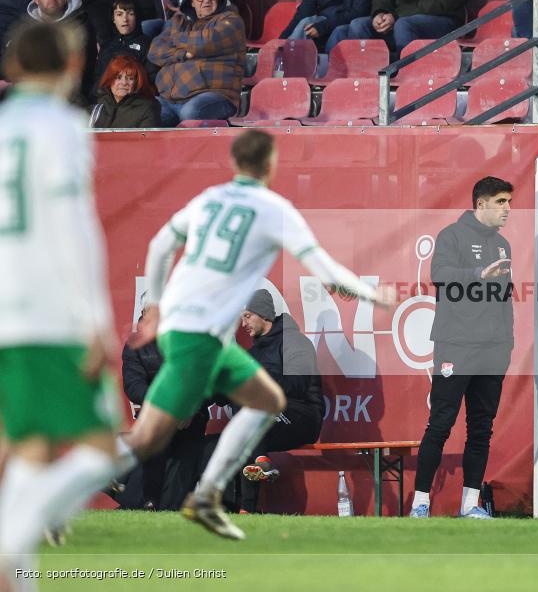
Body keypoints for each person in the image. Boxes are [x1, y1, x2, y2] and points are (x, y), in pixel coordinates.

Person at [117, 129, 396, 540]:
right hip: (202, 336)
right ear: (270, 165)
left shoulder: (209, 199)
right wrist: (369, 291)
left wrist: (156, 306)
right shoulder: (273, 208)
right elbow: (323, 265)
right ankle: (203, 497)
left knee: (222, 413)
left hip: (180, 328)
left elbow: (160, 246)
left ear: (233, 163)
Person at [0, 20, 120, 584]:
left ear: (14, 68)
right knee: (104, 447)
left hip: (6, 309)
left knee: (32, 447)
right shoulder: (63, 127)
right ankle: (9, 541)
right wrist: (95, 320)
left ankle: (18, 578)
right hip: (47, 312)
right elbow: (74, 227)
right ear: (71, 67)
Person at [409, 176, 515, 519]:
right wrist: (477, 273)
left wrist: (507, 343)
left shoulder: (504, 245)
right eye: (501, 202)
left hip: (492, 351)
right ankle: (420, 504)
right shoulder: (451, 236)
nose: (507, 209)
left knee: (481, 428)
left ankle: (470, 506)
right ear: (480, 204)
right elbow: (439, 274)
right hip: (456, 346)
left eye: (509, 202)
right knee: (440, 424)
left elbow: (505, 300)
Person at [236, 289, 324, 514]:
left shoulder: (295, 341)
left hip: (303, 416)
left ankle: (250, 498)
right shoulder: (254, 352)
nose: (243, 323)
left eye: (247, 316)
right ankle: (246, 509)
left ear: (264, 315)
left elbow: (298, 385)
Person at [121, 297, 209, 510]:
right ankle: (149, 500)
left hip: (190, 416)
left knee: (185, 461)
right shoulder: (135, 345)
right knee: (155, 445)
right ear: (144, 312)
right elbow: (134, 386)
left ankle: (162, 504)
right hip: (158, 414)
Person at [148, 0, 245, 127]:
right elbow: (154, 51)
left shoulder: (232, 21)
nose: (206, 0)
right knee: (144, 111)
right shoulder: (179, 22)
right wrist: (182, 54)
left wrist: (175, 38)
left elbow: (204, 42)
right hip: (170, 100)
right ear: (192, 1)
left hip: (215, 96)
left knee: (191, 113)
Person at [326, 0, 465, 53]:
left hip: (443, 19)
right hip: (399, 18)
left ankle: (405, 73)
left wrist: (396, 16)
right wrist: (379, 13)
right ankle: (364, 78)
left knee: (403, 25)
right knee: (358, 25)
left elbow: (440, 2)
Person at [24, 0, 98, 104]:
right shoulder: (25, 29)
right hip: (33, 100)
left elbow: (86, 71)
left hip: (73, 100)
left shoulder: (82, 25)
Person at [94, 0, 153, 91]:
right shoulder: (106, 46)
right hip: (103, 99)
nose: (125, 19)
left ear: (136, 17)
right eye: (119, 14)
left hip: (134, 99)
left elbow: (150, 81)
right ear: (113, 19)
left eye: (130, 14)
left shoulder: (148, 44)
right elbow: (97, 80)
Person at [279, 0, 371, 53]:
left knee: (338, 31)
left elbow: (359, 12)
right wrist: (281, 40)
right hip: (325, 21)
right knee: (306, 22)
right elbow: (304, 12)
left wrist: (323, 27)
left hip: (347, 22)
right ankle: (285, 64)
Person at [92, 54, 160, 127]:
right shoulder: (96, 107)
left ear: (136, 82)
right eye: (118, 77)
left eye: (130, 78)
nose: (124, 83)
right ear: (110, 79)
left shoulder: (148, 109)